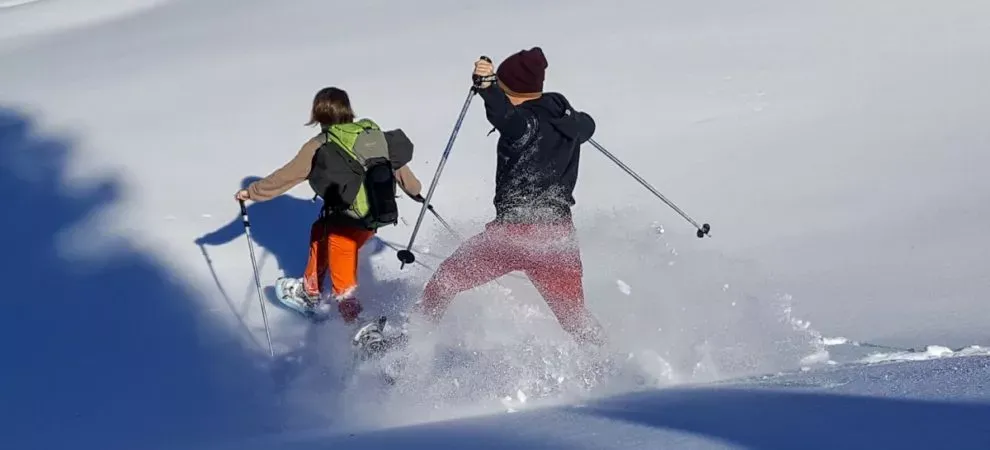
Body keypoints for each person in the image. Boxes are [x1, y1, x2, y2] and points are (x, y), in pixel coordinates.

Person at [409, 47, 606, 348]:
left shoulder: (525, 125)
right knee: (573, 316)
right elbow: (587, 124)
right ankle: (605, 357)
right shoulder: (567, 119)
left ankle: (411, 342)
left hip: (515, 234)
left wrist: (488, 89)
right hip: (558, 236)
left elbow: (507, 118)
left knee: (447, 279)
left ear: (511, 88)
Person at [235, 87, 424, 323]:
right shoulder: (371, 134)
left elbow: (287, 176)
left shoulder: (318, 145)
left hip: (345, 227)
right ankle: (310, 291)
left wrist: (252, 192)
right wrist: (415, 192)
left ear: (317, 115)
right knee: (319, 230)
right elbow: (402, 173)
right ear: (348, 109)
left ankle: (362, 333)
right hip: (373, 219)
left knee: (345, 291)